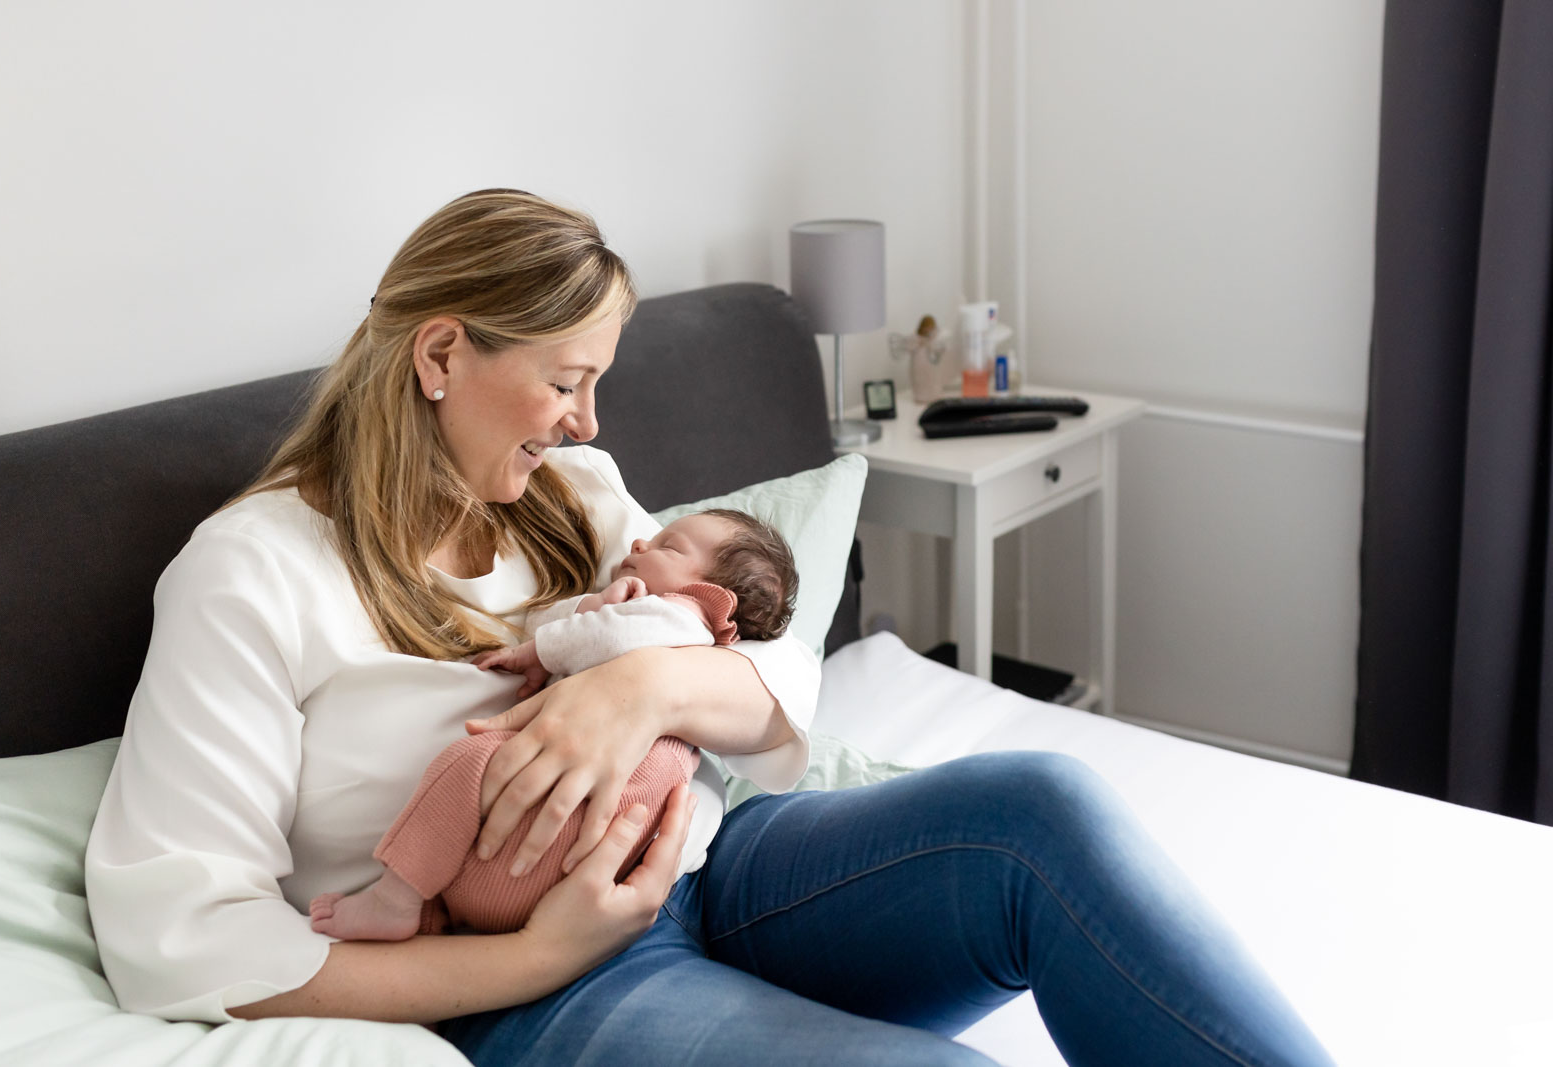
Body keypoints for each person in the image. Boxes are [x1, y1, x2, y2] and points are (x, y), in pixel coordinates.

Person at [84, 188, 1335, 1066]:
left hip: (711, 861)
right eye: (567, 380)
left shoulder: (572, 496)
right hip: (520, 969)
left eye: (597, 385)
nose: (584, 422)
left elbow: (775, 674)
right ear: (442, 354)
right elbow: (185, 945)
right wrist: (532, 960)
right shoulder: (251, 572)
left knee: (1042, 807)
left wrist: (640, 694)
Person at [307, 508, 799, 941]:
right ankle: (441, 916)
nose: (640, 542)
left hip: (600, 827)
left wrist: (545, 643)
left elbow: (600, 635)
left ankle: (397, 899)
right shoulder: (697, 641)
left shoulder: (679, 615)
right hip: (604, 874)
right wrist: (595, 607)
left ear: (708, 593)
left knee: (470, 762)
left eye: (668, 546)